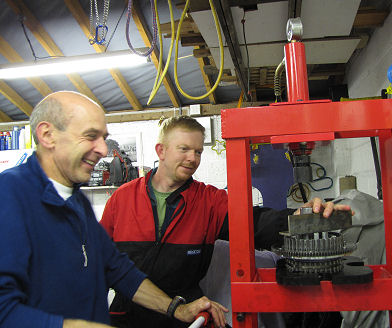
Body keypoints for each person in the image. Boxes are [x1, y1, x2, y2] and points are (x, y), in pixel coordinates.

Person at [0, 92, 227, 328]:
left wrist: (175, 309)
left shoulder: (78, 203)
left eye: (103, 138)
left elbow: (116, 269)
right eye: (91, 136)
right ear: (48, 135)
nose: (102, 148)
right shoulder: (9, 196)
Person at [100, 115, 352, 328]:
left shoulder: (208, 200)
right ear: (161, 151)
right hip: (127, 317)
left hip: (187, 314)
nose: (192, 158)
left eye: (198, 151)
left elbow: (254, 221)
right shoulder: (122, 199)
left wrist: (300, 218)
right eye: (184, 149)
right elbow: (100, 263)